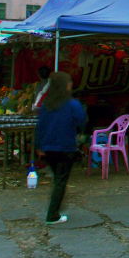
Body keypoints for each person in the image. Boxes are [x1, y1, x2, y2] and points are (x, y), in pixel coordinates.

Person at [35, 72, 87, 226]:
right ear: (66, 86)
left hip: (49, 148)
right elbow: (81, 121)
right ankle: (52, 214)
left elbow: (40, 127)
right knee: (60, 181)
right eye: (69, 82)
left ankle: (57, 203)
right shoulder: (73, 104)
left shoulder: (46, 106)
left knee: (58, 178)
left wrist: (38, 146)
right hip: (66, 147)